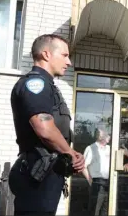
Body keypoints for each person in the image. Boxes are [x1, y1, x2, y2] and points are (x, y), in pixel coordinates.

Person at [8, 34, 85, 216]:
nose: (69, 62)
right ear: (46, 54)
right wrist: (70, 153)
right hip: (36, 174)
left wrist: (69, 154)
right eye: (65, 55)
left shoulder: (49, 86)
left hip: (46, 174)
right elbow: (44, 128)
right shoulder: (36, 83)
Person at [82, 129, 111, 216]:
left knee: (106, 210)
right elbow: (83, 166)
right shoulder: (91, 148)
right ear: (102, 137)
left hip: (109, 183)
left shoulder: (110, 148)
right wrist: (90, 181)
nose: (109, 136)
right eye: (107, 134)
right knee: (94, 210)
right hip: (97, 182)